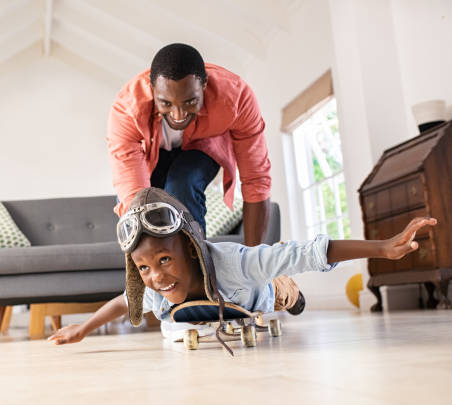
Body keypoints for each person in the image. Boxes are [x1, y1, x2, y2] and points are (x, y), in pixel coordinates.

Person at [49, 188, 438, 353]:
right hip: (212, 310)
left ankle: (293, 295)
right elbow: (123, 302)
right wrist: (83, 328)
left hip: (261, 291)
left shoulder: (233, 263)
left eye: (164, 260)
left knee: (280, 289)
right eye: (144, 268)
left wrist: (384, 248)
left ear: (189, 247)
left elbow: (302, 252)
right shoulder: (155, 287)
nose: (157, 276)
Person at [107, 43, 271, 246]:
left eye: (190, 102)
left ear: (204, 86)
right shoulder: (127, 108)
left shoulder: (236, 98)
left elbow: (256, 179)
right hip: (150, 154)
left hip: (202, 147)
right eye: (166, 103)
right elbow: (134, 198)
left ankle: (200, 267)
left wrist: (254, 262)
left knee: (182, 184)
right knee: (142, 206)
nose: (178, 115)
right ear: (152, 90)